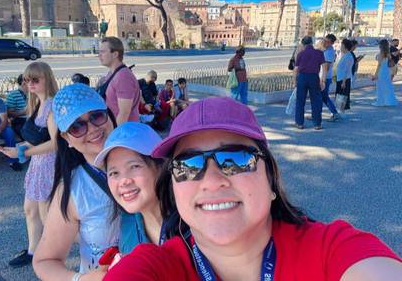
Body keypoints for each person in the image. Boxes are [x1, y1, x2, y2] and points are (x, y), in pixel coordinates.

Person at [105, 97, 402, 281]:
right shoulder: (154, 267)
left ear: (271, 179)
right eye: (189, 166)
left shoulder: (331, 249)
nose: (211, 180)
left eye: (235, 159)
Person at [32, 84, 119, 280]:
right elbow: (44, 261)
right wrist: (81, 280)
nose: (92, 129)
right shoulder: (72, 190)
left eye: (96, 116)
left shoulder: (146, 158)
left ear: (109, 115)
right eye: (77, 126)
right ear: (66, 138)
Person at [0, 62, 59, 268]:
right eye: (27, 80)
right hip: (38, 163)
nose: (30, 84)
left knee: (45, 213)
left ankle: (50, 257)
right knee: (30, 210)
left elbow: (55, 142)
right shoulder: (37, 104)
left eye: (35, 79)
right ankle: (34, 251)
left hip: (48, 165)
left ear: (46, 79)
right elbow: (37, 139)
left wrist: (24, 152)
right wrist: (16, 149)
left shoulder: (51, 105)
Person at [93, 122, 165, 256]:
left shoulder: (193, 224)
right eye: (114, 173)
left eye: (134, 167)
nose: (123, 181)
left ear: (160, 167)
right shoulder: (128, 230)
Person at [97, 37, 140, 125]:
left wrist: (115, 136)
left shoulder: (123, 77)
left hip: (124, 133)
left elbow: (124, 114)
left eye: (103, 51)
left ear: (115, 54)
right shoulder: (112, 73)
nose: (99, 55)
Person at [294, 36, 327, 130]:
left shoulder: (301, 54)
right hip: (314, 77)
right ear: (312, 43)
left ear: (303, 45)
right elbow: (324, 67)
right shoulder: (319, 53)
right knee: (316, 100)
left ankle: (299, 123)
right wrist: (323, 80)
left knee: (300, 101)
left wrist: (295, 81)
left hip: (302, 77)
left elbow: (296, 69)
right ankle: (317, 124)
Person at [372, 39, 398, 107]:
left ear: (381, 46)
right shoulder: (388, 53)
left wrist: (375, 75)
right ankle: (389, 101)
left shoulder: (381, 54)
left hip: (381, 72)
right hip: (387, 71)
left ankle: (381, 101)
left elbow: (379, 66)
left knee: (380, 87)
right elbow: (389, 62)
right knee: (387, 86)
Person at [321, 34, 340, 122]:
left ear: (331, 43)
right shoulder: (326, 50)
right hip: (324, 77)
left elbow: (326, 67)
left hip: (325, 78)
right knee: (322, 97)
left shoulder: (329, 52)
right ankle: (316, 113)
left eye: (327, 42)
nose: (325, 43)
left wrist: (322, 80)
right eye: (325, 40)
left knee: (323, 97)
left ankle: (335, 113)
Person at [335, 39, 354, 117]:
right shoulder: (345, 55)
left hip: (344, 79)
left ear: (345, 47)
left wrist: (343, 82)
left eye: (342, 46)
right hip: (341, 78)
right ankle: (339, 111)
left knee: (342, 96)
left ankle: (341, 112)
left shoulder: (348, 56)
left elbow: (346, 70)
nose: (340, 47)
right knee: (340, 96)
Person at [6, 74, 28, 139]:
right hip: (20, 120)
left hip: (32, 119)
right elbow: (9, 113)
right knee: (28, 135)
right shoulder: (13, 95)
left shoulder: (33, 93)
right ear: (23, 83)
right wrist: (24, 112)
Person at [347, 40, 364, 110]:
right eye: (355, 46)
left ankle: (347, 99)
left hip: (352, 71)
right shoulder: (349, 53)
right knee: (348, 87)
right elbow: (354, 62)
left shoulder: (351, 53)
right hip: (350, 72)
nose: (356, 47)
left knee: (349, 87)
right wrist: (360, 58)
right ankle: (347, 100)